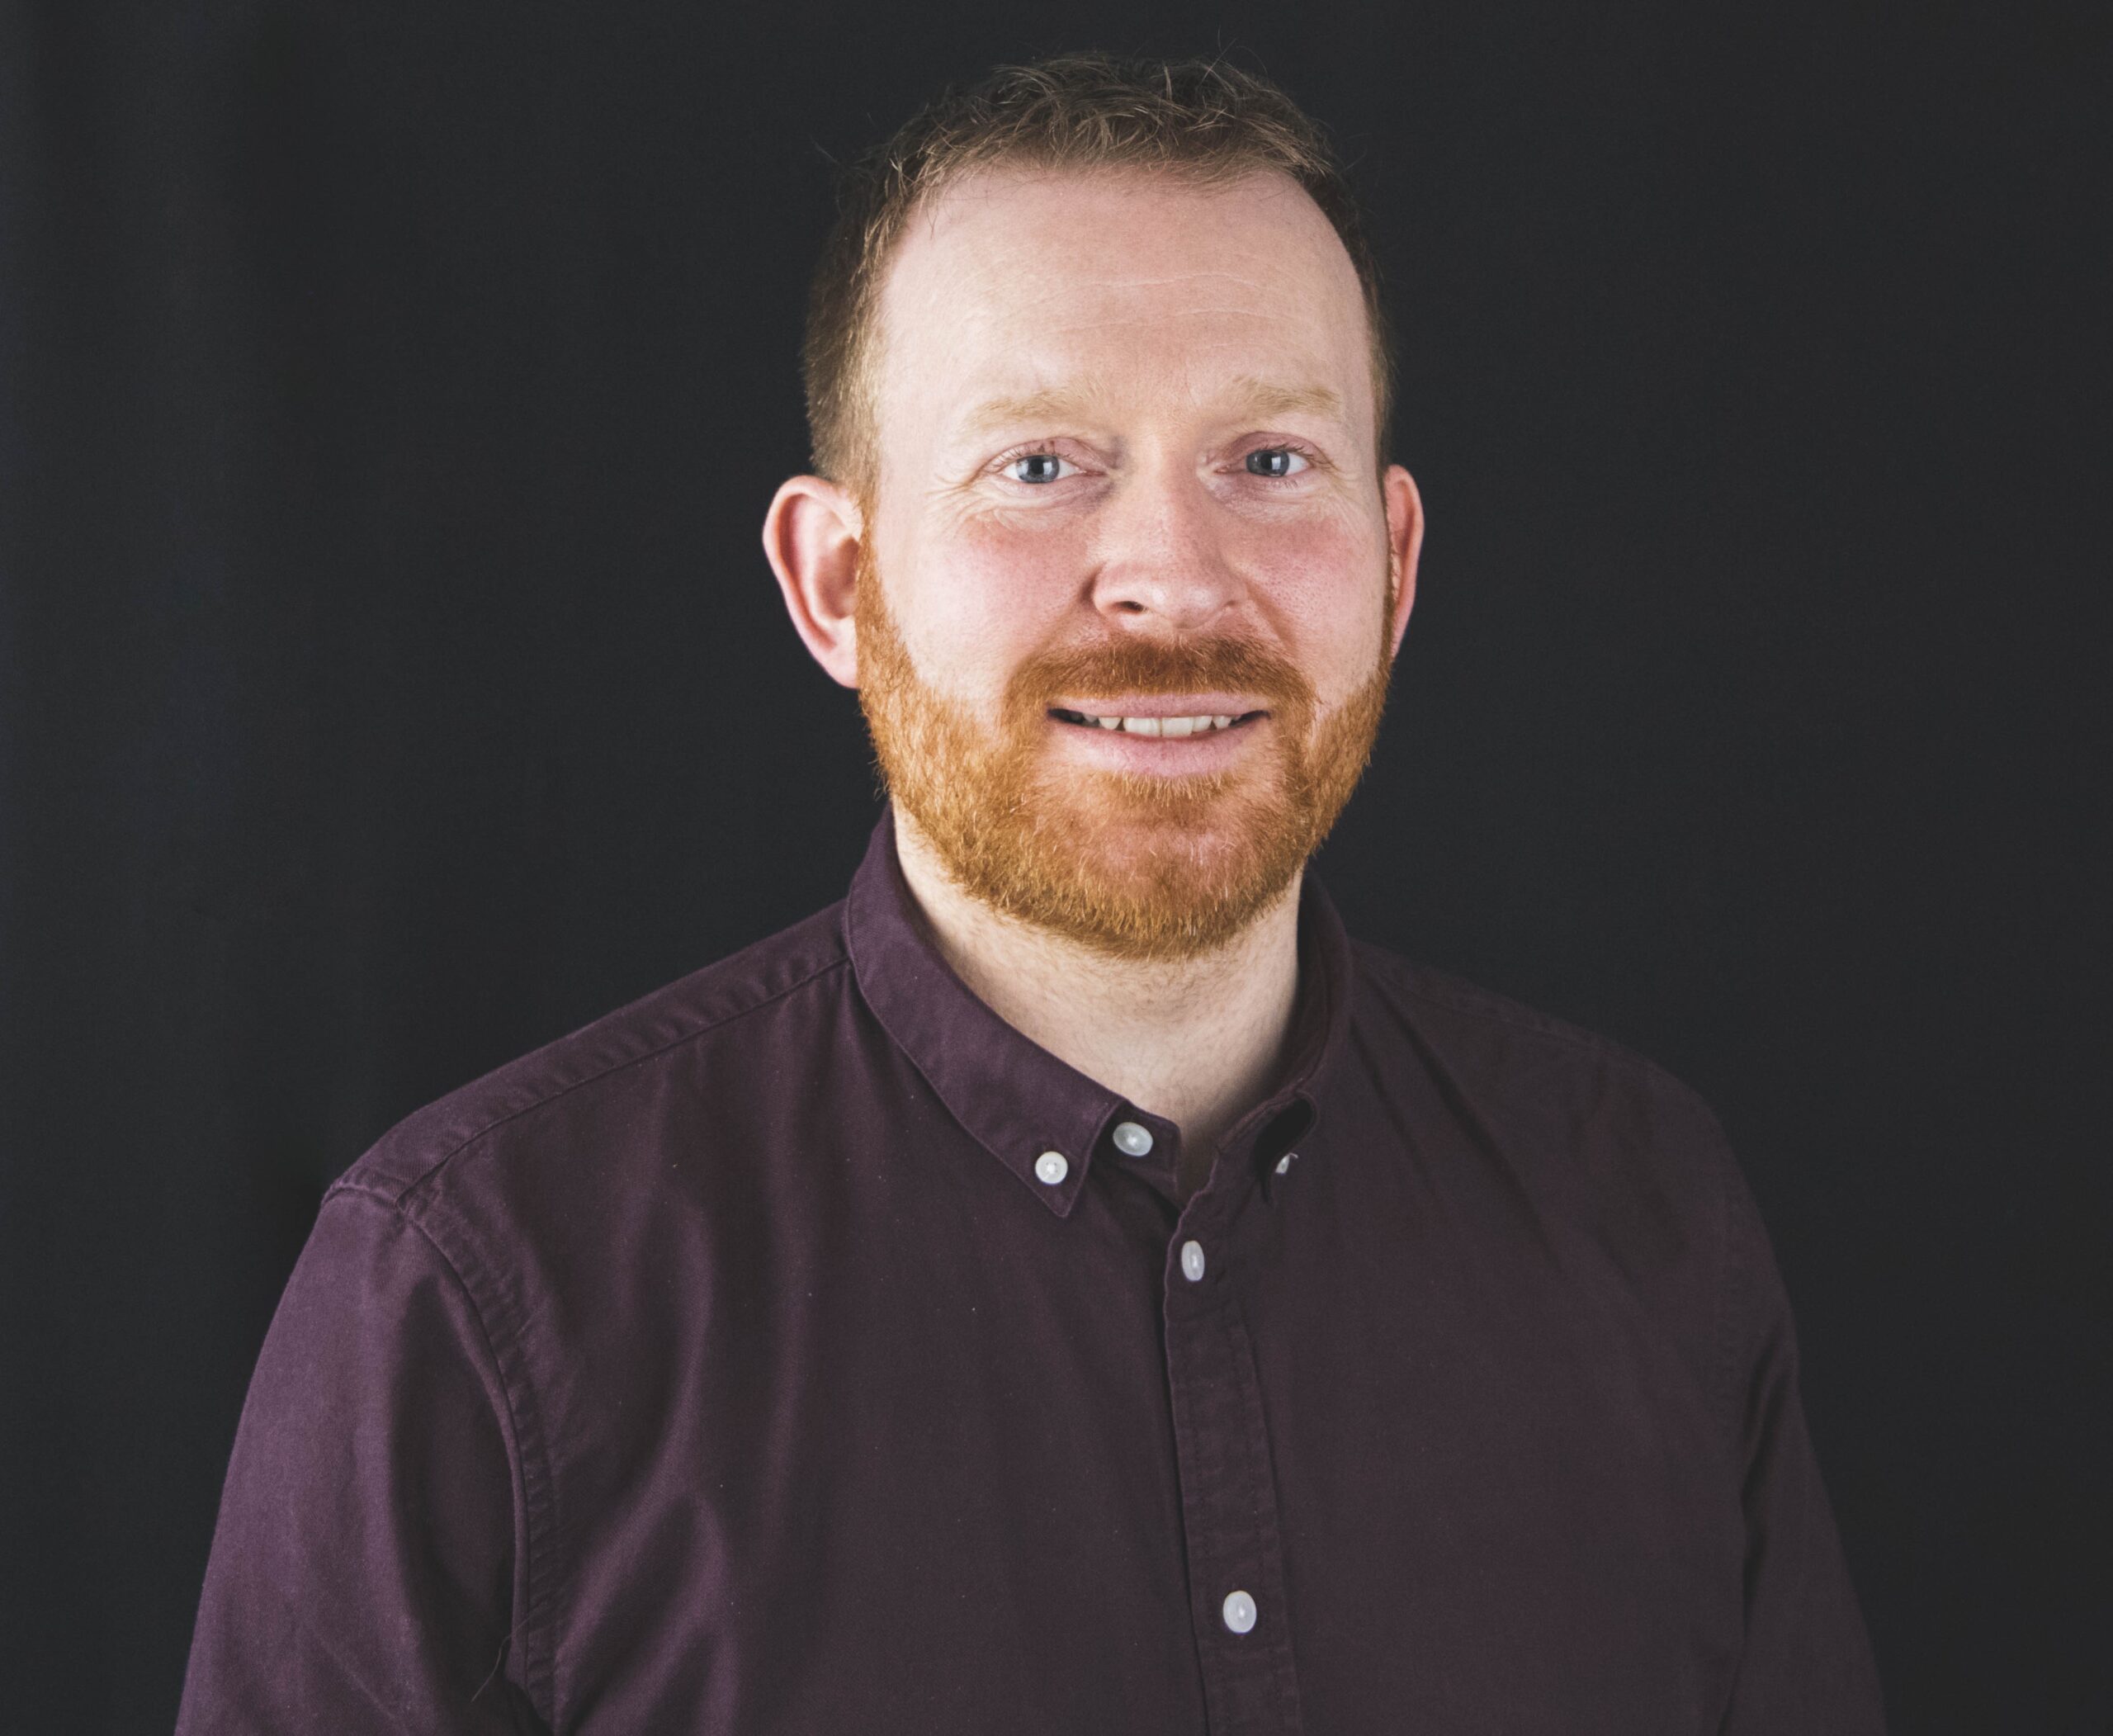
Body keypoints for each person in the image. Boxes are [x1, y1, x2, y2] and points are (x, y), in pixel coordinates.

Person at [177, 52, 1884, 1734]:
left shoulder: (1643, 1208)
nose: (1169, 578)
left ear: (1395, 563)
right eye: (1041, 465)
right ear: (838, 583)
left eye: (1267, 460)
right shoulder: (475, 1291)